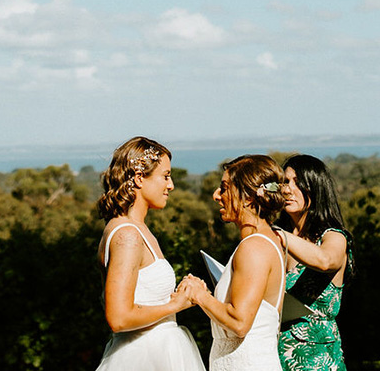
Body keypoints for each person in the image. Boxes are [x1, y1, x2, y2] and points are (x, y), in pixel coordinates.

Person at [95, 136, 206, 371]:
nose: (171, 185)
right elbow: (119, 318)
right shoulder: (128, 235)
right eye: (165, 176)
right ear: (138, 179)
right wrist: (177, 305)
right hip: (142, 357)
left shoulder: (138, 229)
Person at [181, 154, 287, 371]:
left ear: (248, 197)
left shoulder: (254, 247)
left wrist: (199, 295)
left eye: (225, 188)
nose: (216, 195)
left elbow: (239, 322)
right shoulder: (265, 240)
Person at [275, 155, 353, 371]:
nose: (287, 189)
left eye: (297, 183)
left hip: (317, 360)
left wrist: (279, 234)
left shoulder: (334, 237)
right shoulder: (277, 240)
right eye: (285, 182)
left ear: (316, 188)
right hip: (272, 355)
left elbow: (326, 261)